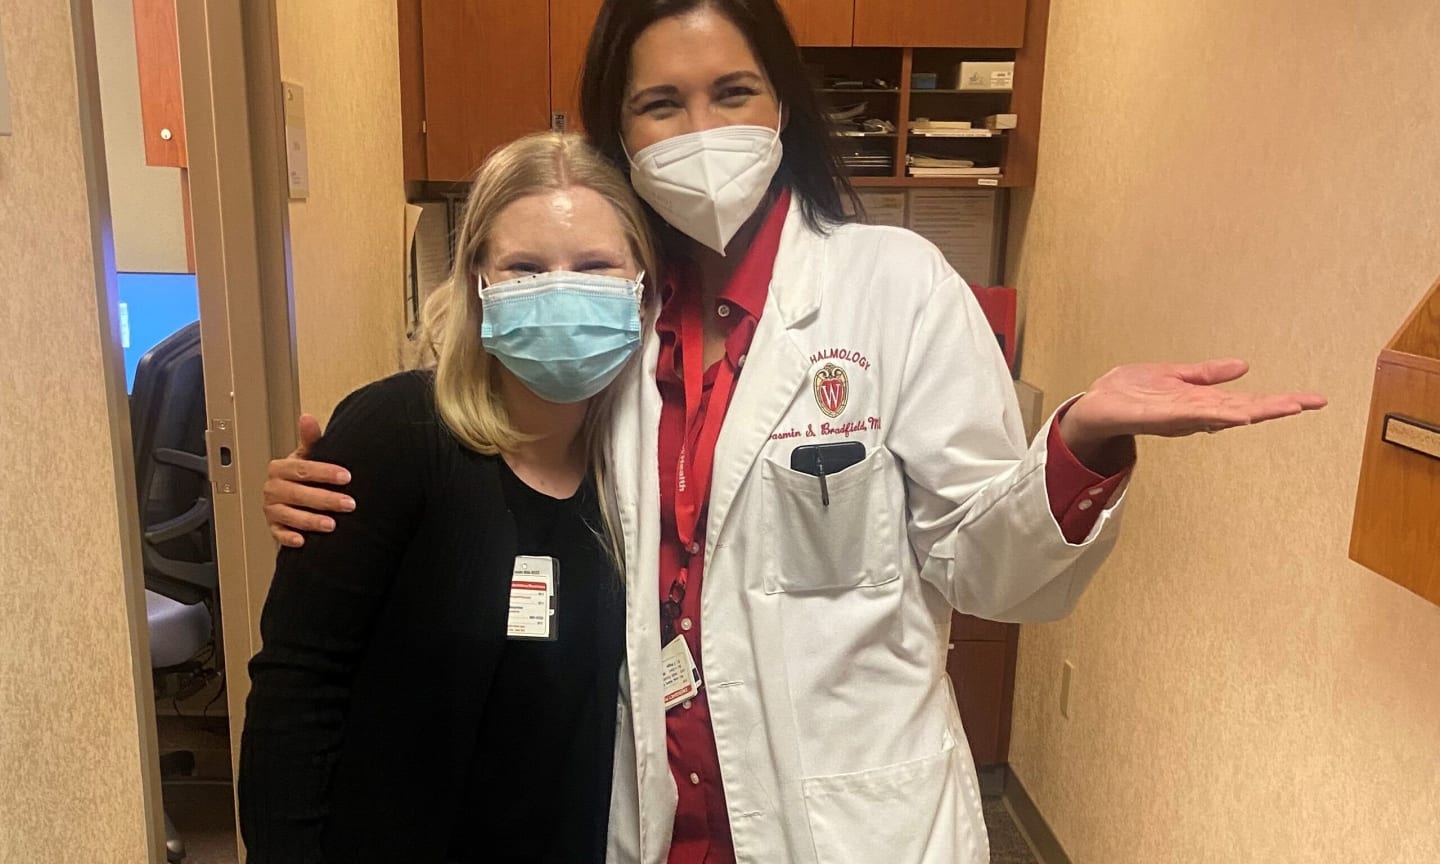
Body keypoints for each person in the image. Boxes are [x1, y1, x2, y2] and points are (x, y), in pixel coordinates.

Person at [262, 2, 1326, 861]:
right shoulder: (615, 328)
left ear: (783, 108)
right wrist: (339, 481)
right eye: (658, 105)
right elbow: (493, 442)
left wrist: (1079, 445)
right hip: (650, 822)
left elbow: (992, 567)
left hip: (850, 825)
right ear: (616, 136)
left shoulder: (893, 288)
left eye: (732, 94)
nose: (700, 131)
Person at [237, 132, 656, 864]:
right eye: (525, 267)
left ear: (641, 283)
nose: (561, 288)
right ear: (478, 284)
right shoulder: (394, 436)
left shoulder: (646, 469)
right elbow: (297, 694)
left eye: (593, 266)